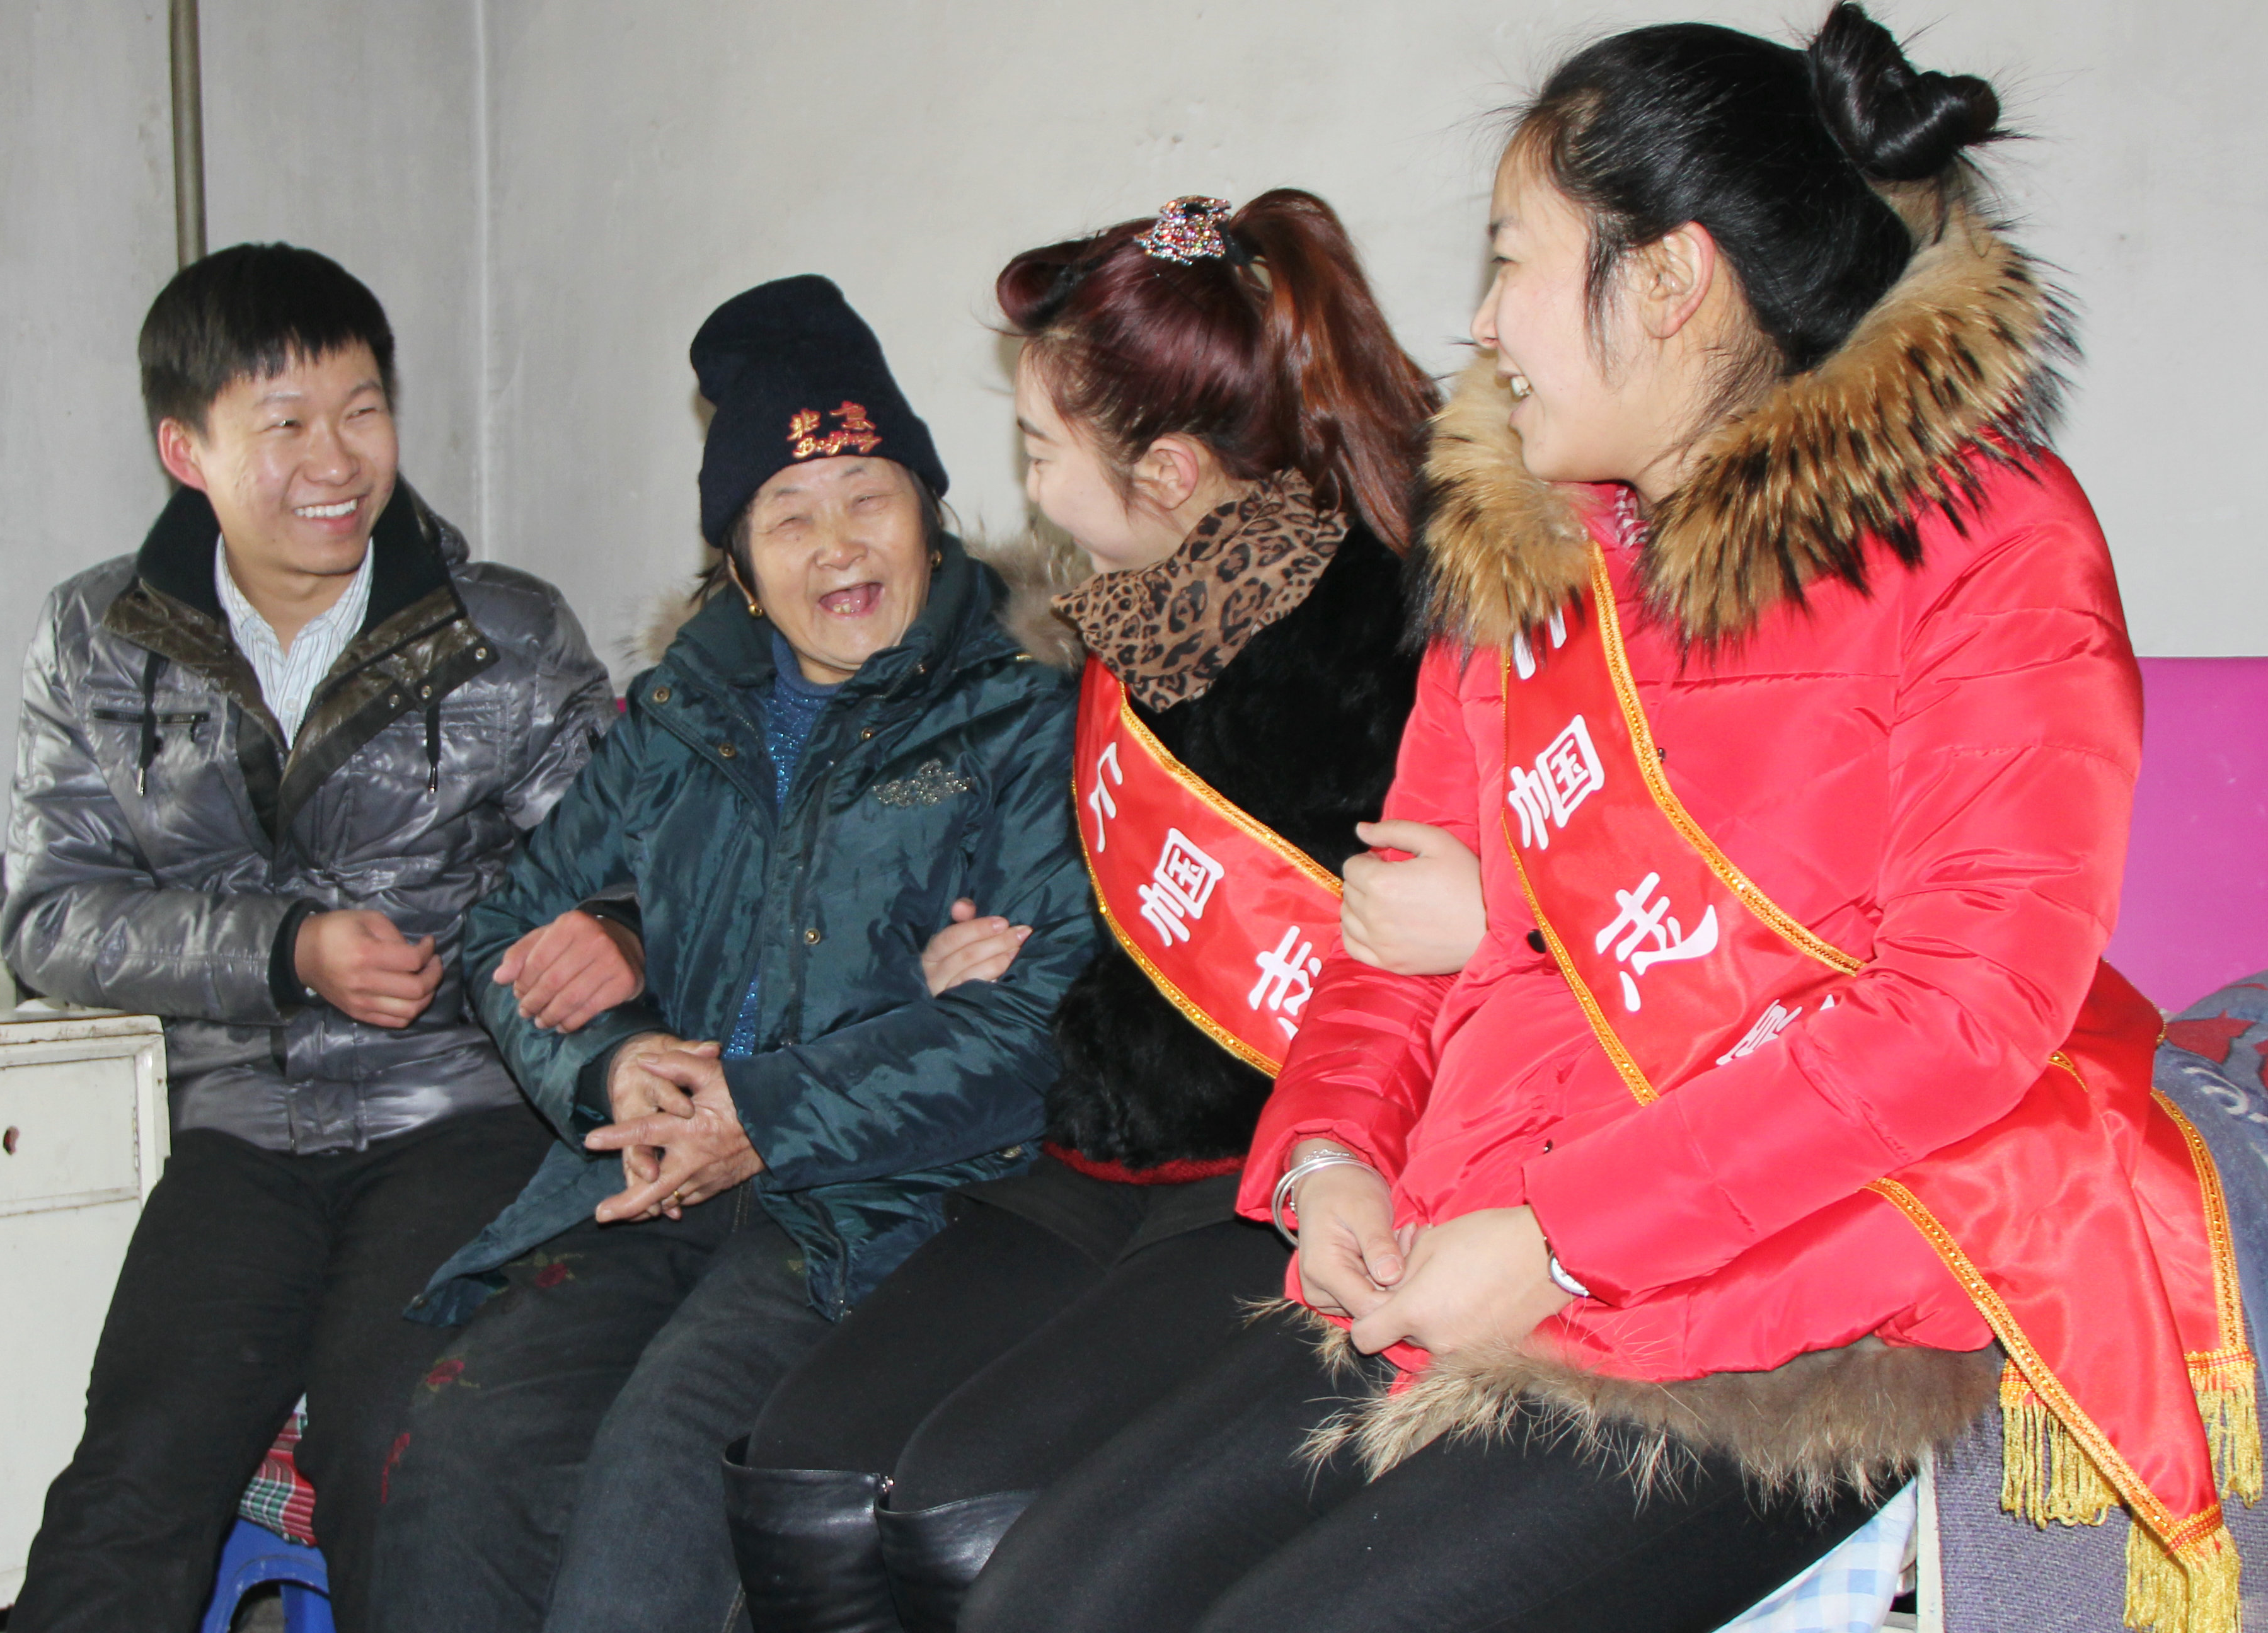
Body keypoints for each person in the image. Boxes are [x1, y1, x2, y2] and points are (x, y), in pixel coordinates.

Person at [952, 11, 2254, 1633]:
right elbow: (1390, 932)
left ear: (1669, 280)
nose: (1482, 319)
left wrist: (1561, 1240)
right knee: (1044, 1598)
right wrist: (1334, 1160)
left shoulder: (1993, 544)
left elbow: (1960, 1014)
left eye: (1513, 260)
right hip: (1468, 1224)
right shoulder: (1530, 549)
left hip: (1803, 1284)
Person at [727, 190, 1451, 1632]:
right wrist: (978, 955)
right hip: (1090, 1146)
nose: (1029, 485)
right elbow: (1079, 914)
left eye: (1042, 450)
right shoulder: (1115, 624)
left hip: (1288, 1177)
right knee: (802, 1480)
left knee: (959, 1514)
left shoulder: (1400, 638)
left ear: (1169, 473)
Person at [367, 275, 1098, 1633]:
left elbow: (1035, 1029)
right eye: (789, 515)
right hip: (656, 1179)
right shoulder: (680, 716)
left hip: (868, 1207)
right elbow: (504, 931)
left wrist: (759, 1113)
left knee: (663, 1470)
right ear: (742, 569)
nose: (840, 546)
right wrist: (616, 1064)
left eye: (870, 496)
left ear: (930, 513)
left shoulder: (1019, 717)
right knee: (465, 1445)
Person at [1, 243, 613, 1630]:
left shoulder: (503, 630)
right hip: (238, 1124)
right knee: (133, 1475)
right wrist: (287, 950)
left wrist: (612, 930)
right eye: (284, 423)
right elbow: (52, 918)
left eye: (362, 410)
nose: (336, 461)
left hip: (462, 1110)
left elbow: (621, 860)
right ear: (188, 450)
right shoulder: (97, 638)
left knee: (386, 1441)